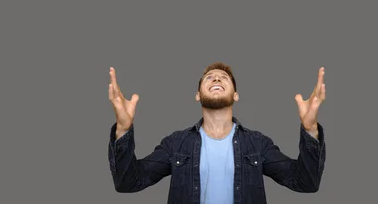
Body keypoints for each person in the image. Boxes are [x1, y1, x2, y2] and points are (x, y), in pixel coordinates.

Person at [107, 62, 326, 204]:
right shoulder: (176, 144)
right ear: (197, 95)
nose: (217, 79)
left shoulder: (257, 144)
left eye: (224, 78)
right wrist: (123, 129)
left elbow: (305, 183)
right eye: (210, 77)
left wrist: (310, 129)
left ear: (236, 95)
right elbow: (129, 183)